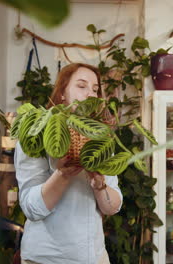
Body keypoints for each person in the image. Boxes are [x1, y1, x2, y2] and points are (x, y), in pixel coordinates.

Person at [15, 63, 123, 264]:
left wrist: (100, 185)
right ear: (62, 93)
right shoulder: (37, 135)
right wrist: (62, 174)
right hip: (47, 258)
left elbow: (112, 207)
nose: (90, 93)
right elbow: (31, 208)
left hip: (94, 257)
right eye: (81, 86)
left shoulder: (100, 139)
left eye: (95, 89)